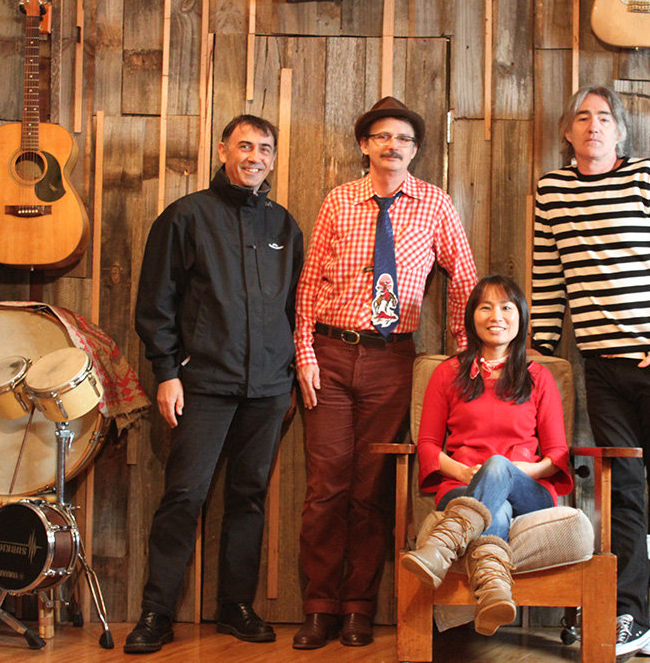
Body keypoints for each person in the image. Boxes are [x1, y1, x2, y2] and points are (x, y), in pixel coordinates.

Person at [293, 96, 477, 649]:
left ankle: (358, 608)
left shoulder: (436, 203)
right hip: (330, 354)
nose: (392, 146)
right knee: (326, 486)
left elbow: (464, 278)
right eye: (382, 136)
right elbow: (309, 284)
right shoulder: (339, 200)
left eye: (403, 138)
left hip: (393, 359)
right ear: (365, 145)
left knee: (371, 489)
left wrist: (466, 352)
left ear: (414, 150)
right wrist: (305, 354)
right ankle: (319, 606)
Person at [531, 86, 650, 658]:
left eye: (604, 118)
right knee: (623, 493)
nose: (594, 126)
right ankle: (629, 612)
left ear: (619, 131)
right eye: (582, 117)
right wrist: (540, 350)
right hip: (601, 371)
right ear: (568, 132)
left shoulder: (648, 178)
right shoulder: (552, 191)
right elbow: (548, 275)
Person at [128, 115, 303, 653]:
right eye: (244, 146)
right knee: (184, 496)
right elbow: (156, 302)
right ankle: (157, 613)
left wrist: (290, 376)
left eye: (265, 148)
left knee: (249, 498)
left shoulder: (283, 226)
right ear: (223, 150)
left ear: (273, 158)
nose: (255, 156)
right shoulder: (185, 216)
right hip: (201, 383)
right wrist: (166, 372)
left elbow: (296, 307)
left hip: (269, 388)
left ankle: (236, 607)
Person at [401, 275, 573, 636]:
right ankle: (494, 591)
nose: (496, 316)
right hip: (461, 485)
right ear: (472, 317)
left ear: (521, 317)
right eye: (486, 307)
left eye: (507, 307)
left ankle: (442, 545)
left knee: (499, 468)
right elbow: (428, 445)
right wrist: (465, 474)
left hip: (529, 490)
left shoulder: (539, 377)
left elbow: (557, 453)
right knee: (499, 507)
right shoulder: (447, 374)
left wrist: (513, 471)